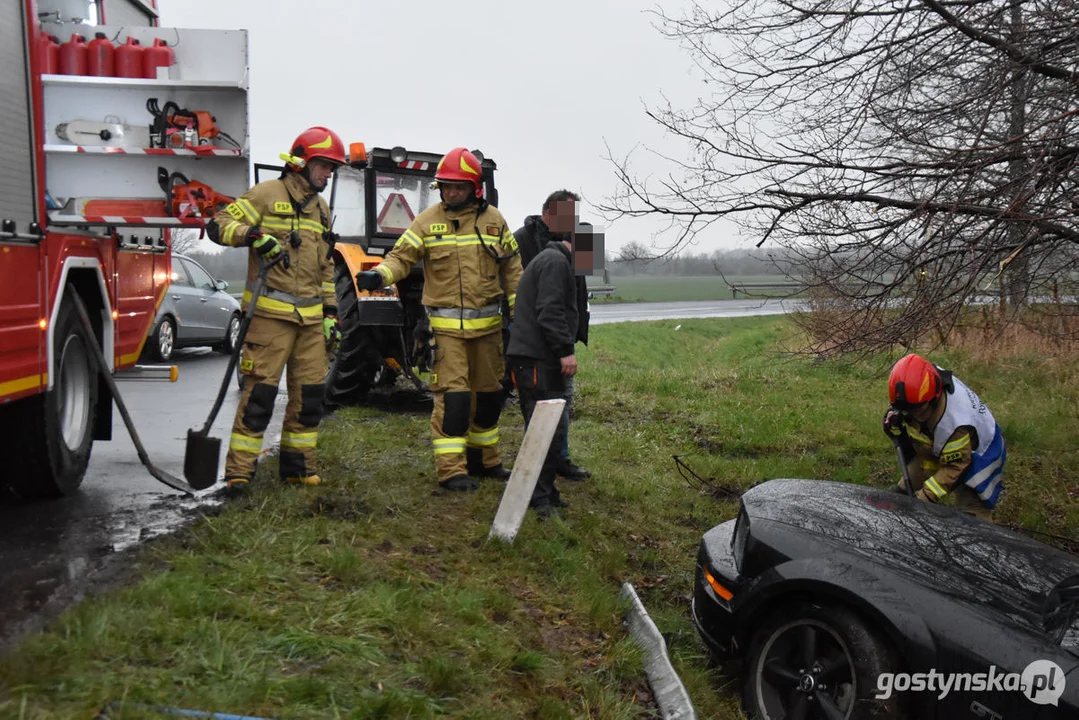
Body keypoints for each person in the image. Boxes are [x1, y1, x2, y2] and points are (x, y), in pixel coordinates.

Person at [355, 148, 523, 491]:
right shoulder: (427, 220)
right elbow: (401, 256)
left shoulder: (495, 221)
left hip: (489, 332)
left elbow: (513, 270)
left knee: (490, 396)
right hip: (446, 334)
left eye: (458, 187)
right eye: (446, 187)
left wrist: (520, 315)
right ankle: (452, 470)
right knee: (455, 400)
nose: (451, 193)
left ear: (475, 188)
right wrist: (381, 276)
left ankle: (484, 460)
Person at [206, 126, 345, 496]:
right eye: (324, 166)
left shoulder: (322, 209)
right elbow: (217, 225)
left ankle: (298, 469)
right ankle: (239, 474)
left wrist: (331, 313)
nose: (328, 174)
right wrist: (253, 236)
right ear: (300, 162)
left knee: (310, 399)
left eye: (332, 168)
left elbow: (325, 267)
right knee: (259, 399)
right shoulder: (266, 194)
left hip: (312, 324)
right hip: (269, 320)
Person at [515, 190, 591, 481]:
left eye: (575, 215)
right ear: (547, 212)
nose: (572, 221)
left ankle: (560, 458)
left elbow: (582, 284)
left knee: (564, 398)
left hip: (564, 332)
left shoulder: (581, 237)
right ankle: (539, 465)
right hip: (536, 334)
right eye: (566, 215)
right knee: (541, 403)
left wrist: (577, 328)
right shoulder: (524, 237)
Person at [506, 224, 580, 519]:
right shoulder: (554, 263)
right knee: (542, 430)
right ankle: (539, 500)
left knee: (550, 428)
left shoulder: (553, 260)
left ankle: (546, 491)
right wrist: (565, 350)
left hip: (537, 358)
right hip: (537, 360)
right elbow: (549, 311)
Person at [883, 353, 1006, 521]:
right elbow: (908, 403)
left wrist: (925, 496)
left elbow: (956, 466)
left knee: (972, 523)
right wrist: (896, 415)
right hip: (938, 447)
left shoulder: (956, 424)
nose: (915, 417)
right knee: (900, 494)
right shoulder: (924, 380)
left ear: (933, 398)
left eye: (918, 411)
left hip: (980, 457)